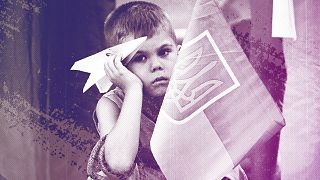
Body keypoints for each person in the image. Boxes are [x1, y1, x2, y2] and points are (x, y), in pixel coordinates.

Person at [87, 1, 246, 179]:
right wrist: (133, 90)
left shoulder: (192, 89)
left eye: (164, 52)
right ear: (122, 67)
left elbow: (222, 158)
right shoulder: (112, 104)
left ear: (179, 53)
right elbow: (118, 164)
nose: (156, 65)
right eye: (140, 58)